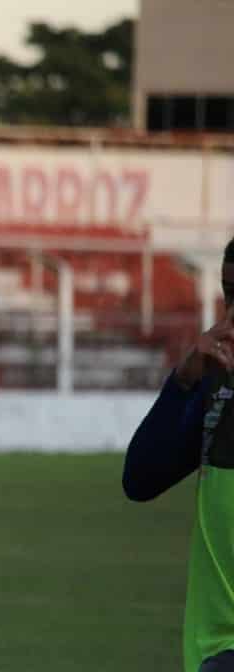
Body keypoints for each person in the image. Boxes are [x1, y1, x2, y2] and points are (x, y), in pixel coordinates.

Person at [124, 238, 234, 672]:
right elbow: (140, 479)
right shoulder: (217, 385)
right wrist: (184, 380)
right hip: (215, 647)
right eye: (230, 293)